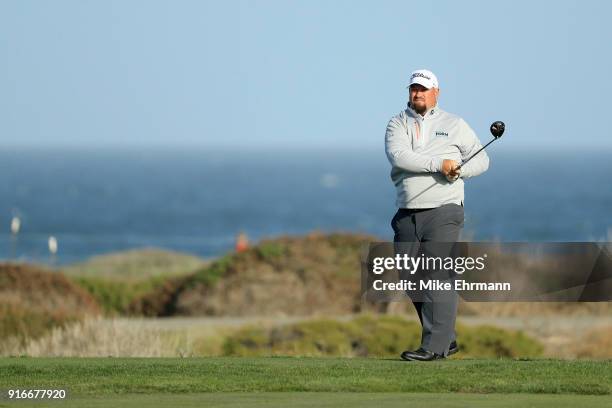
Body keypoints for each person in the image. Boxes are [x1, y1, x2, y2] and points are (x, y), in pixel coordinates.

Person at [384, 69, 489, 361]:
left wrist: (460, 170)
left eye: (423, 89)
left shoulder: (454, 124)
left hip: (445, 210)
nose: (417, 93)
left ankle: (433, 347)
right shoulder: (397, 123)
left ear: (436, 93)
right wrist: (439, 164)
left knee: (437, 275)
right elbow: (400, 156)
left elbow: (482, 159)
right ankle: (447, 338)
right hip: (406, 212)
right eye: (414, 88)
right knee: (409, 278)